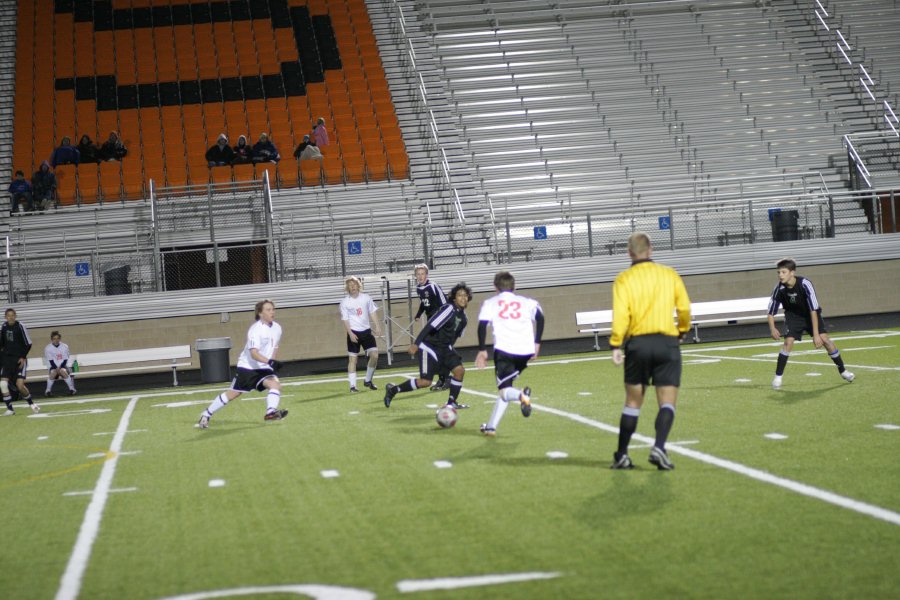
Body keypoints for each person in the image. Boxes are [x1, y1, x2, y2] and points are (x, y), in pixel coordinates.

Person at [608, 232, 691, 471]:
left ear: (629, 253)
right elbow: (684, 308)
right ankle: (659, 447)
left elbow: (621, 315)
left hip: (638, 345)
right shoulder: (669, 274)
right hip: (667, 342)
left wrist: (616, 344)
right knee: (667, 402)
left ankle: (622, 455)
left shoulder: (624, 279)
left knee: (633, 402)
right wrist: (682, 330)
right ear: (651, 249)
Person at [198, 299, 287, 429]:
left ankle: (270, 412)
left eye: (273, 309)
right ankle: (206, 414)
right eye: (268, 310)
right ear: (260, 313)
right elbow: (253, 354)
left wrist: (272, 363)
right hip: (248, 367)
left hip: (263, 368)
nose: (272, 312)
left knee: (275, 385)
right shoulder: (255, 330)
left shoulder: (277, 328)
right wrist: (269, 361)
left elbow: (275, 346)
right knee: (233, 394)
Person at [767, 258, 855, 390]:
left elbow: (813, 309)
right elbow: (770, 311)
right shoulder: (779, 288)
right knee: (788, 342)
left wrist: (816, 335)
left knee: (825, 340)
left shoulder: (805, 283)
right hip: (793, 316)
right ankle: (778, 377)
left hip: (810, 314)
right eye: (778, 272)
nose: (780, 275)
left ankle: (843, 371)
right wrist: (772, 328)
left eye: (783, 272)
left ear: (792, 272)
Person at [475, 271, 544, 436]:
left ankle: (522, 396)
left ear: (495, 287)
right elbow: (540, 318)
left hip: (505, 350)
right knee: (506, 387)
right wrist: (537, 343)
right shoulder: (527, 302)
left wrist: (482, 350)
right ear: (514, 286)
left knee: (505, 390)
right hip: (525, 351)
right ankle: (491, 426)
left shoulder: (491, 303)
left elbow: (482, 326)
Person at [383, 282, 472, 410]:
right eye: (459, 295)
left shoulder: (464, 319)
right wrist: (416, 344)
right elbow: (429, 326)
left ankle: (451, 403)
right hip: (429, 346)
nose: (463, 298)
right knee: (425, 382)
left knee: (459, 371)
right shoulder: (448, 309)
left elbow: (453, 338)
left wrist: (447, 357)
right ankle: (393, 390)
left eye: (465, 295)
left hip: (445, 348)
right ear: (454, 298)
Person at [339, 276, 382, 392]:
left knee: (375, 355)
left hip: (367, 332)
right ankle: (353, 386)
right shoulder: (344, 302)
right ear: (347, 288)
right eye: (350, 285)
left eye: (354, 284)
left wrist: (377, 326)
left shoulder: (366, 298)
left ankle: (368, 380)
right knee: (353, 360)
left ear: (358, 285)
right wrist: (350, 333)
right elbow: (345, 319)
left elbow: (372, 312)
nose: (352, 287)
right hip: (354, 333)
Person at [412, 263, 450, 391]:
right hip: (431, 322)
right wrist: (418, 315)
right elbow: (424, 304)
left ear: (427, 275)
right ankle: (442, 379)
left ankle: (446, 379)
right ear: (416, 276)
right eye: (418, 274)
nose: (420, 276)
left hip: (439, 321)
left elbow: (444, 302)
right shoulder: (418, 288)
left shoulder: (433, 286)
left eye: (423, 274)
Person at [1, 308, 39, 416]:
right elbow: (2, 344)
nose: (11, 317)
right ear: (5, 317)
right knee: (3, 384)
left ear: (15, 316)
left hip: (19, 360)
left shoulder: (20, 326)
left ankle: (32, 404)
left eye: (12, 315)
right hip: (8, 360)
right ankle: (10, 409)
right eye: (8, 315)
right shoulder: (3, 326)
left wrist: (23, 357)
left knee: (20, 386)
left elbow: (28, 344)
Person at [43, 331, 76, 396]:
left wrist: (60, 368)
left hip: (63, 366)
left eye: (58, 338)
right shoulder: (48, 348)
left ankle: (72, 390)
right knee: (53, 373)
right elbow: (51, 361)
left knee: (62, 371)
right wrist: (56, 368)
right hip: (53, 366)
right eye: (54, 339)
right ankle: (48, 391)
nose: (56, 340)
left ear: (60, 339)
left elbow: (65, 360)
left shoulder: (64, 346)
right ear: (52, 339)